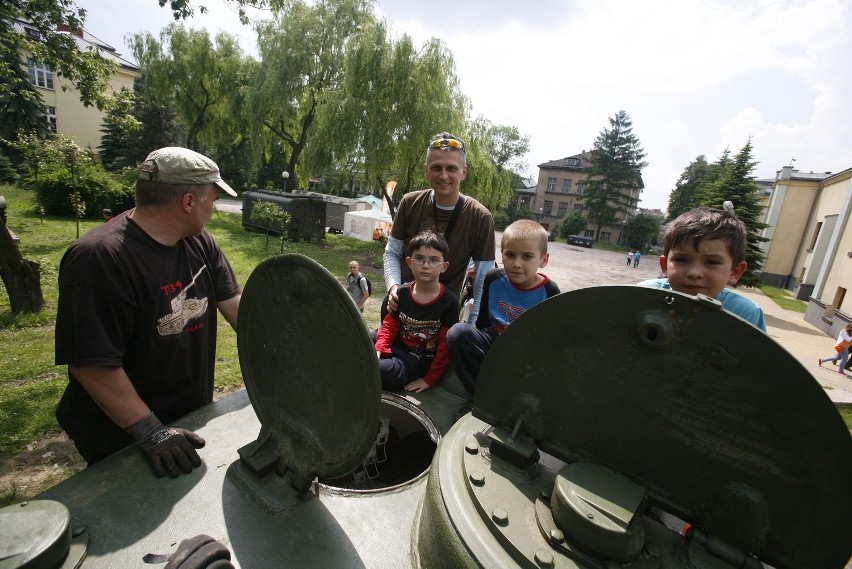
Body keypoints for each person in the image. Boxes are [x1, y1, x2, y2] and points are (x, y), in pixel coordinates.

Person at [54, 147, 242, 478]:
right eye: (211, 199)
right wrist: (150, 432)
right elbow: (91, 365)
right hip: (119, 432)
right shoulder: (98, 260)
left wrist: (290, 346)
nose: (213, 208)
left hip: (185, 415)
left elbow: (235, 306)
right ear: (188, 202)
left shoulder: (200, 242)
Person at [383, 132, 495, 324]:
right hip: (405, 303)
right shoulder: (410, 203)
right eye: (436, 168)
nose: (443, 176)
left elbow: (482, 278)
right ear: (426, 170)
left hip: (444, 312)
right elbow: (392, 252)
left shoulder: (480, 217)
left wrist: (472, 324)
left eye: (451, 168)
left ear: (463, 172)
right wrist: (393, 288)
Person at [447, 220, 560, 393]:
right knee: (458, 333)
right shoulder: (492, 279)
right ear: (502, 254)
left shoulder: (549, 291)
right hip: (494, 340)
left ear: (543, 259)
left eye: (527, 256)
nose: (516, 263)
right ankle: (481, 396)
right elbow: (482, 324)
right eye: (510, 254)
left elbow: (549, 341)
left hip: (525, 352)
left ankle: (509, 396)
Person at [638, 207, 766, 332]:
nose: (694, 273)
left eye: (712, 262)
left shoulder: (745, 314)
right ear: (665, 266)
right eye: (681, 260)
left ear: (735, 272)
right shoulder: (642, 295)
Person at [374, 231, 459, 393]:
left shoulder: (449, 302)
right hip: (397, 344)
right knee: (361, 341)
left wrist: (429, 379)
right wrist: (380, 347)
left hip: (418, 358)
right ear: (409, 262)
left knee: (379, 370)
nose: (426, 265)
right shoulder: (403, 292)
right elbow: (390, 324)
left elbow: (444, 348)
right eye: (419, 259)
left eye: (434, 260)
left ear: (444, 266)